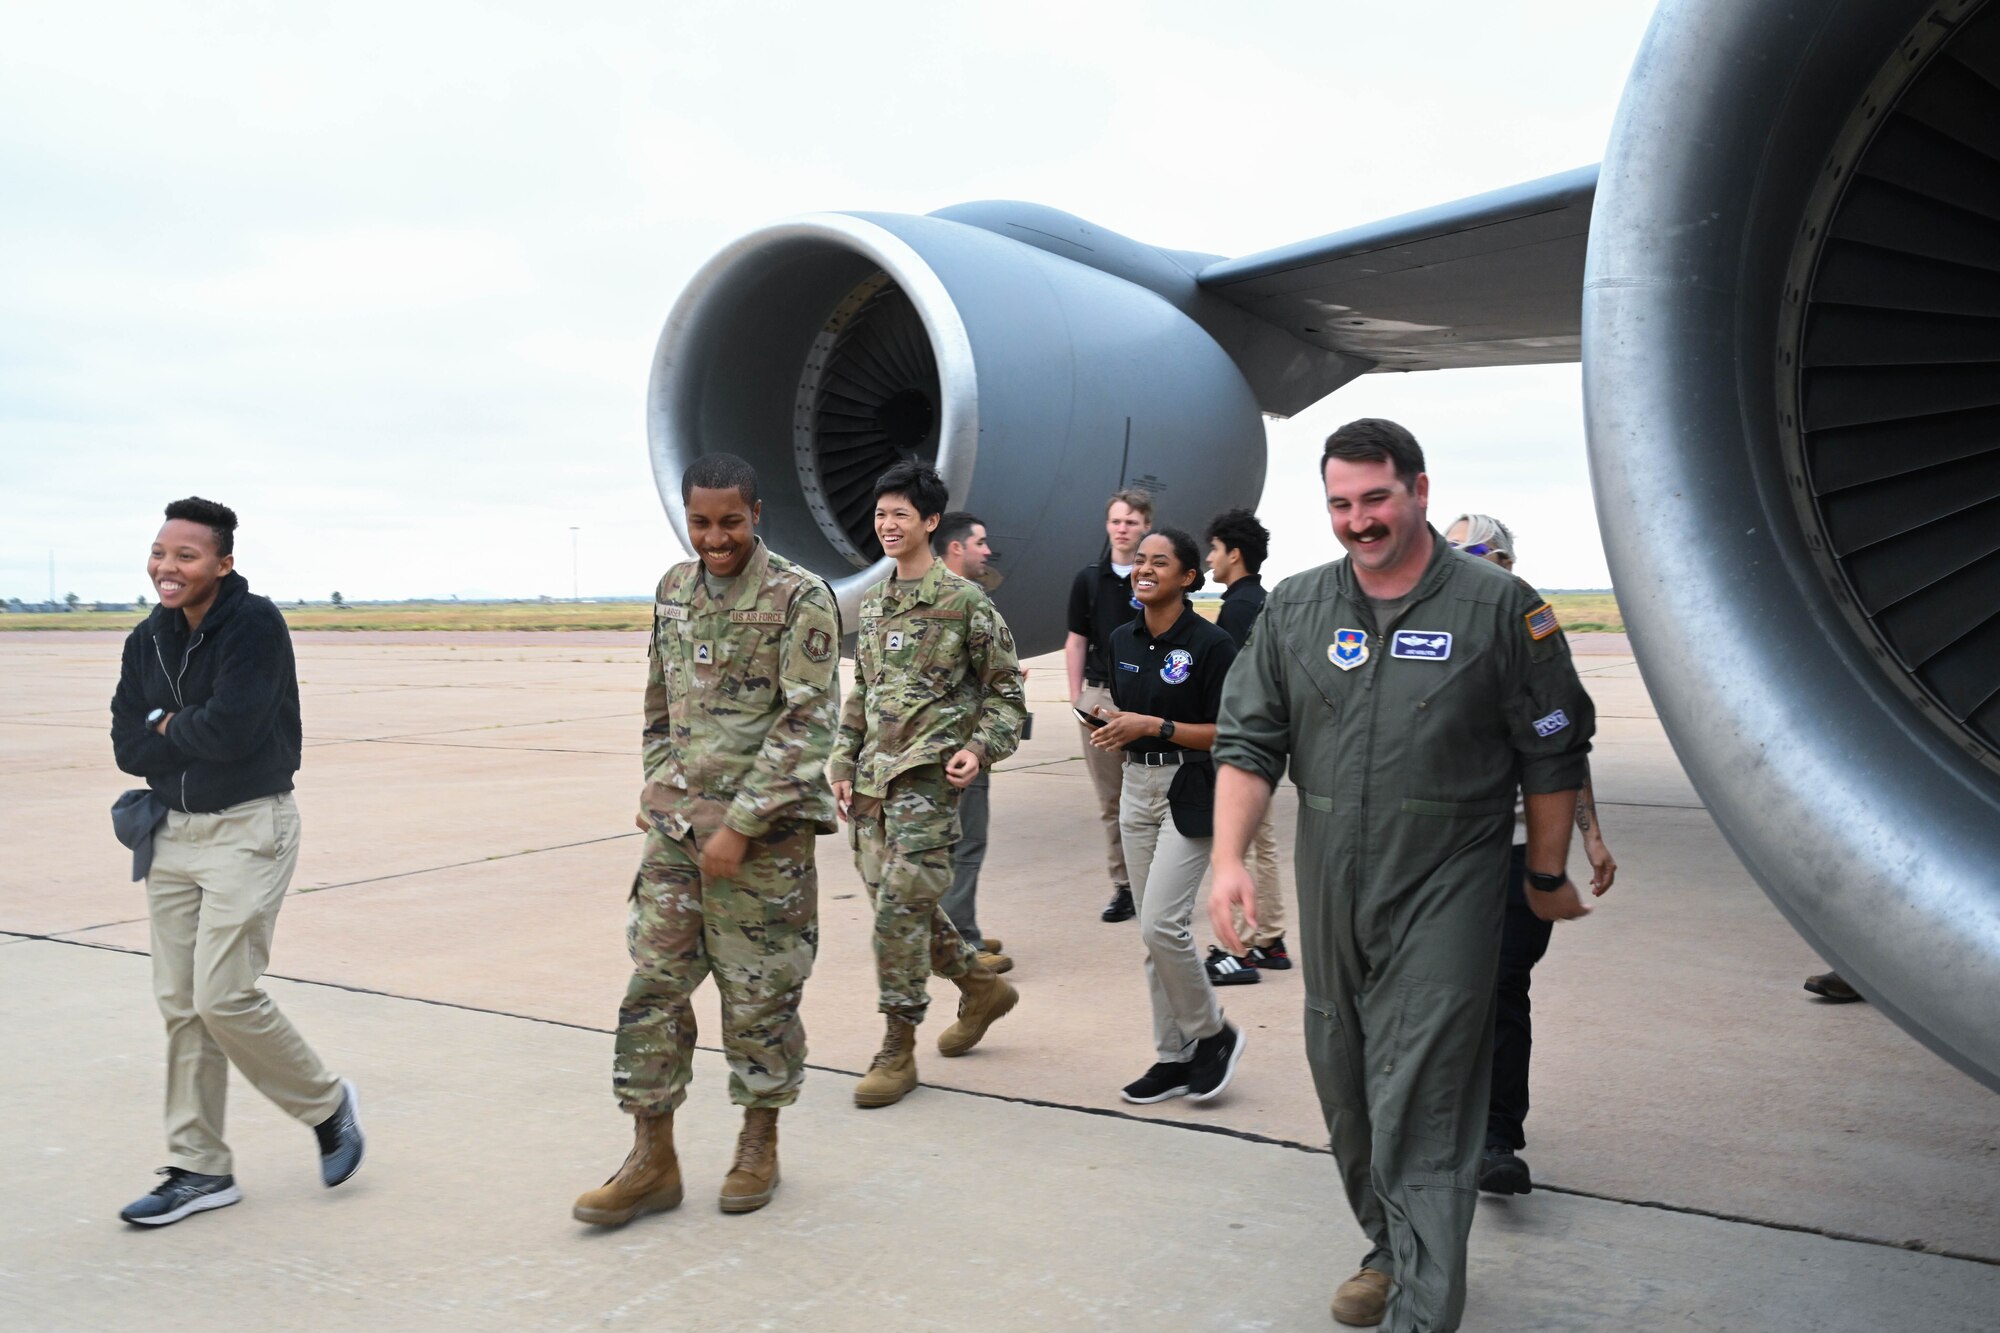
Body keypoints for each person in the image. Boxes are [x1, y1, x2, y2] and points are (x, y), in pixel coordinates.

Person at [1209, 420, 1597, 1331]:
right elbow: (1248, 743)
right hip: (1333, 869)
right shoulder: (1297, 609)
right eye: (1341, 503)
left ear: (1418, 490)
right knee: (1342, 1070)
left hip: (1453, 868)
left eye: (1376, 498)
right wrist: (1228, 859)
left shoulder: (1501, 607)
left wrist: (1544, 870)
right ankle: (1388, 1246)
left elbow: (1552, 747)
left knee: (1421, 1080)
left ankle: (1425, 1305)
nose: (1359, 520)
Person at [574, 453, 840, 1225]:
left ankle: (759, 1140)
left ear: (756, 512)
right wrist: (663, 794)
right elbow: (660, 707)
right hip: (679, 836)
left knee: (759, 998)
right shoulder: (673, 590)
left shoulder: (799, 596)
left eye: (729, 520)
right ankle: (651, 1156)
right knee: (652, 986)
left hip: (765, 845)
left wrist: (743, 821)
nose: (715, 536)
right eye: (700, 521)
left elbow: (809, 721)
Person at [109, 497, 364, 1227]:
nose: (168, 566)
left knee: (224, 995)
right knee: (182, 1008)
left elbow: (234, 730)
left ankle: (326, 1103)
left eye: (186, 556)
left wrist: (168, 726)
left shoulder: (254, 625)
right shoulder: (144, 640)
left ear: (222, 563)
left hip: (249, 829)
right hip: (171, 833)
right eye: (160, 552)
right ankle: (199, 1168)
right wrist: (169, 729)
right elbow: (129, 744)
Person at [830, 462, 1028, 1108]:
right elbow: (866, 691)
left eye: (900, 515)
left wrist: (978, 749)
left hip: (927, 786)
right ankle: (979, 986)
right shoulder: (879, 599)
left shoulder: (966, 604)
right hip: (869, 790)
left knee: (896, 917)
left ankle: (897, 1047)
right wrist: (840, 763)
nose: (887, 525)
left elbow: (1006, 697)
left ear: (931, 522)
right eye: (882, 514)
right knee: (906, 907)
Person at [1443, 514, 1619, 1198]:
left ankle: (1495, 1137)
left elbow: (1563, 745)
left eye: (1479, 554)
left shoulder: (1536, 639)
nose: (1465, 564)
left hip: (1516, 851)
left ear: (1509, 561)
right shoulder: (1431, 634)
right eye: (1455, 553)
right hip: (1446, 851)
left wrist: (1591, 834)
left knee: (1502, 989)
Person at [1090, 528, 1248, 1104]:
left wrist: (1153, 726)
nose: (1143, 568)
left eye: (1160, 561)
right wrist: (1114, 722)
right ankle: (1173, 1057)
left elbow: (1231, 731)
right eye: (1138, 561)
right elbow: (1131, 711)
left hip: (1191, 785)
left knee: (1162, 922)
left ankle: (1212, 1033)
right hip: (1136, 783)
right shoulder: (1121, 639)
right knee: (1151, 934)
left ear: (1187, 577)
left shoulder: (1212, 645)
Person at [1201, 508, 1289, 986]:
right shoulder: (1268, 602)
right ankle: (1271, 938)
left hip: (1241, 741)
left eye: (1214, 550)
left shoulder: (1236, 609)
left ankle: (1237, 950)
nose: (1211, 558)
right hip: (1268, 737)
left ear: (1234, 555)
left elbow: (1233, 683)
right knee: (1265, 843)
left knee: (1237, 847)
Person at [932, 510, 1014, 975]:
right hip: (961, 747)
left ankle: (950, 929)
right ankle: (960, 941)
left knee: (941, 846)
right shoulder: (968, 601)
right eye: (980, 542)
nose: (988, 550)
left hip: (931, 747)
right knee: (964, 846)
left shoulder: (921, 595)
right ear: (956, 548)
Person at [1066, 489, 1153, 923]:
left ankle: (1157, 884)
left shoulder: (1156, 576)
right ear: (1108, 526)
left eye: (1132, 522)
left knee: (1154, 795)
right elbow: (1076, 639)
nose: (1123, 529)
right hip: (1100, 699)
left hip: (1148, 701)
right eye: (1117, 521)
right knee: (1112, 801)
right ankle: (1124, 886)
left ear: (1146, 527)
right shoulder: (1089, 579)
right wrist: (1076, 697)